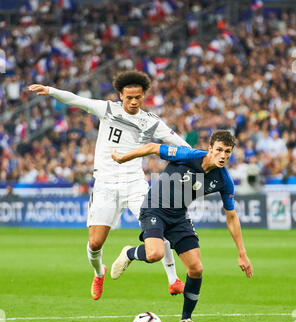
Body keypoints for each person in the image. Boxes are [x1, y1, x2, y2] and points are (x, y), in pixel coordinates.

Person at [28, 70, 190, 300]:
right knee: (95, 242)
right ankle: (99, 272)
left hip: (135, 183)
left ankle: (173, 280)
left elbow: (178, 143)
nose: (133, 102)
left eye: (138, 97)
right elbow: (76, 99)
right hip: (105, 183)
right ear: (120, 95)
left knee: (157, 228)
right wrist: (51, 91)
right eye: (129, 97)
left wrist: (202, 158)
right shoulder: (107, 109)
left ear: (144, 96)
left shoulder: (151, 122)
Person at [110, 130, 254, 322]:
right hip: (155, 208)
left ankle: (186, 321)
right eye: (219, 150)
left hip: (179, 218)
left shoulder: (224, 180)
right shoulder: (188, 155)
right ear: (210, 148)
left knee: (196, 269)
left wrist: (242, 253)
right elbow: (153, 147)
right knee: (154, 254)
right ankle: (129, 253)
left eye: (227, 152)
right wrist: (122, 158)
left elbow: (231, 216)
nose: (223, 156)